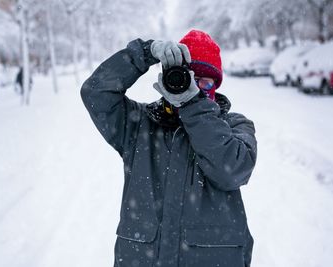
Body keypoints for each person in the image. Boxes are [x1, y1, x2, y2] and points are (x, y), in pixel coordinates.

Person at [81, 29, 257, 267]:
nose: (193, 86)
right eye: (188, 77)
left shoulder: (235, 125)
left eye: (205, 81)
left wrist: (192, 105)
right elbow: (96, 92)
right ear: (169, 76)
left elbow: (232, 170)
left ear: (216, 85)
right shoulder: (139, 124)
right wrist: (145, 53)